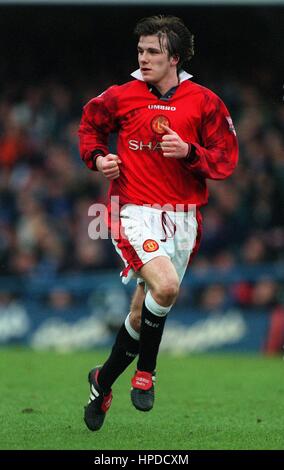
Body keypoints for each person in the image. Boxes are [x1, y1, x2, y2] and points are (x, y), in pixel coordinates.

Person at [78, 14, 238, 431]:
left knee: (141, 313)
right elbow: (90, 126)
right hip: (131, 211)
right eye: (141, 51)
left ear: (176, 58)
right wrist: (99, 159)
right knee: (165, 286)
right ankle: (146, 373)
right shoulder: (122, 95)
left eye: (153, 52)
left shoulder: (205, 102)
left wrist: (189, 151)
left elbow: (225, 159)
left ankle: (102, 380)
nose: (144, 58)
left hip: (183, 219)